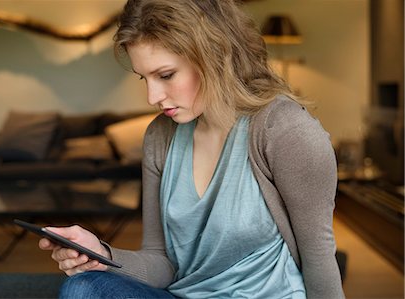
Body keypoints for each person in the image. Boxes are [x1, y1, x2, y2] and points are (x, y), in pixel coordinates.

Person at [39, 0, 345, 298]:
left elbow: (319, 261)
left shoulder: (285, 130)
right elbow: (161, 264)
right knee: (83, 287)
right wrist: (101, 252)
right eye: (143, 78)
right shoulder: (160, 136)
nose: (152, 97)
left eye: (166, 75)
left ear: (214, 55)